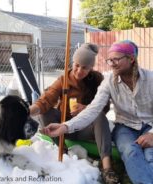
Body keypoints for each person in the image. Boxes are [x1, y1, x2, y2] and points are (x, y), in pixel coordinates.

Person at [42, 40, 153, 184]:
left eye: (116, 59)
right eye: (110, 60)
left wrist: (151, 134)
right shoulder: (108, 83)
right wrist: (65, 127)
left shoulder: (150, 79)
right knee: (130, 151)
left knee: (150, 154)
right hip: (125, 127)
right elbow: (93, 110)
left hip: (150, 125)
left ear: (131, 59)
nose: (111, 63)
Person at [30, 43, 119, 184]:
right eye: (77, 65)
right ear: (73, 63)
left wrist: (85, 108)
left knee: (99, 115)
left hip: (85, 129)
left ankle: (107, 167)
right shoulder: (63, 79)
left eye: (85, 68)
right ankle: (63, 149)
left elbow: (105, 106)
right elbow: (46, 99)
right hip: (63, 128)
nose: (79, 70)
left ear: (91, 68)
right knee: (44, 112)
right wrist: (27, 111)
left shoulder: (97, 79)